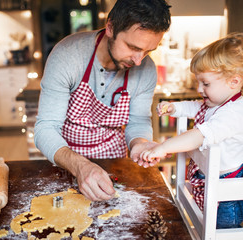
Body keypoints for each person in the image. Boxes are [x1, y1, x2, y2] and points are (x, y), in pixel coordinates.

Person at [34, 0, 171, 202]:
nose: (139, 60)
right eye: (133, 47)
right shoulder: (67, 56)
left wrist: (139, 143)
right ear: (110, 27)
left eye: (148, 51)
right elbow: (45, 128)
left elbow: (138, 122)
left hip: (114, 160)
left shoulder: (146, 69)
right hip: (66, 159)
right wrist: (81, 166)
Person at [139, 32, 243, 228]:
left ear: (234, 82)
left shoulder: (232, 114)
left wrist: (163, 147)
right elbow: (196, 107)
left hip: (227, 194)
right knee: (207, 224)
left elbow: (199, 136)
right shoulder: (217, 102)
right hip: (212, 179)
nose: (199, 88)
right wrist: (174, 108)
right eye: (198, 82)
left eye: (205, 83)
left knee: (221, 230)